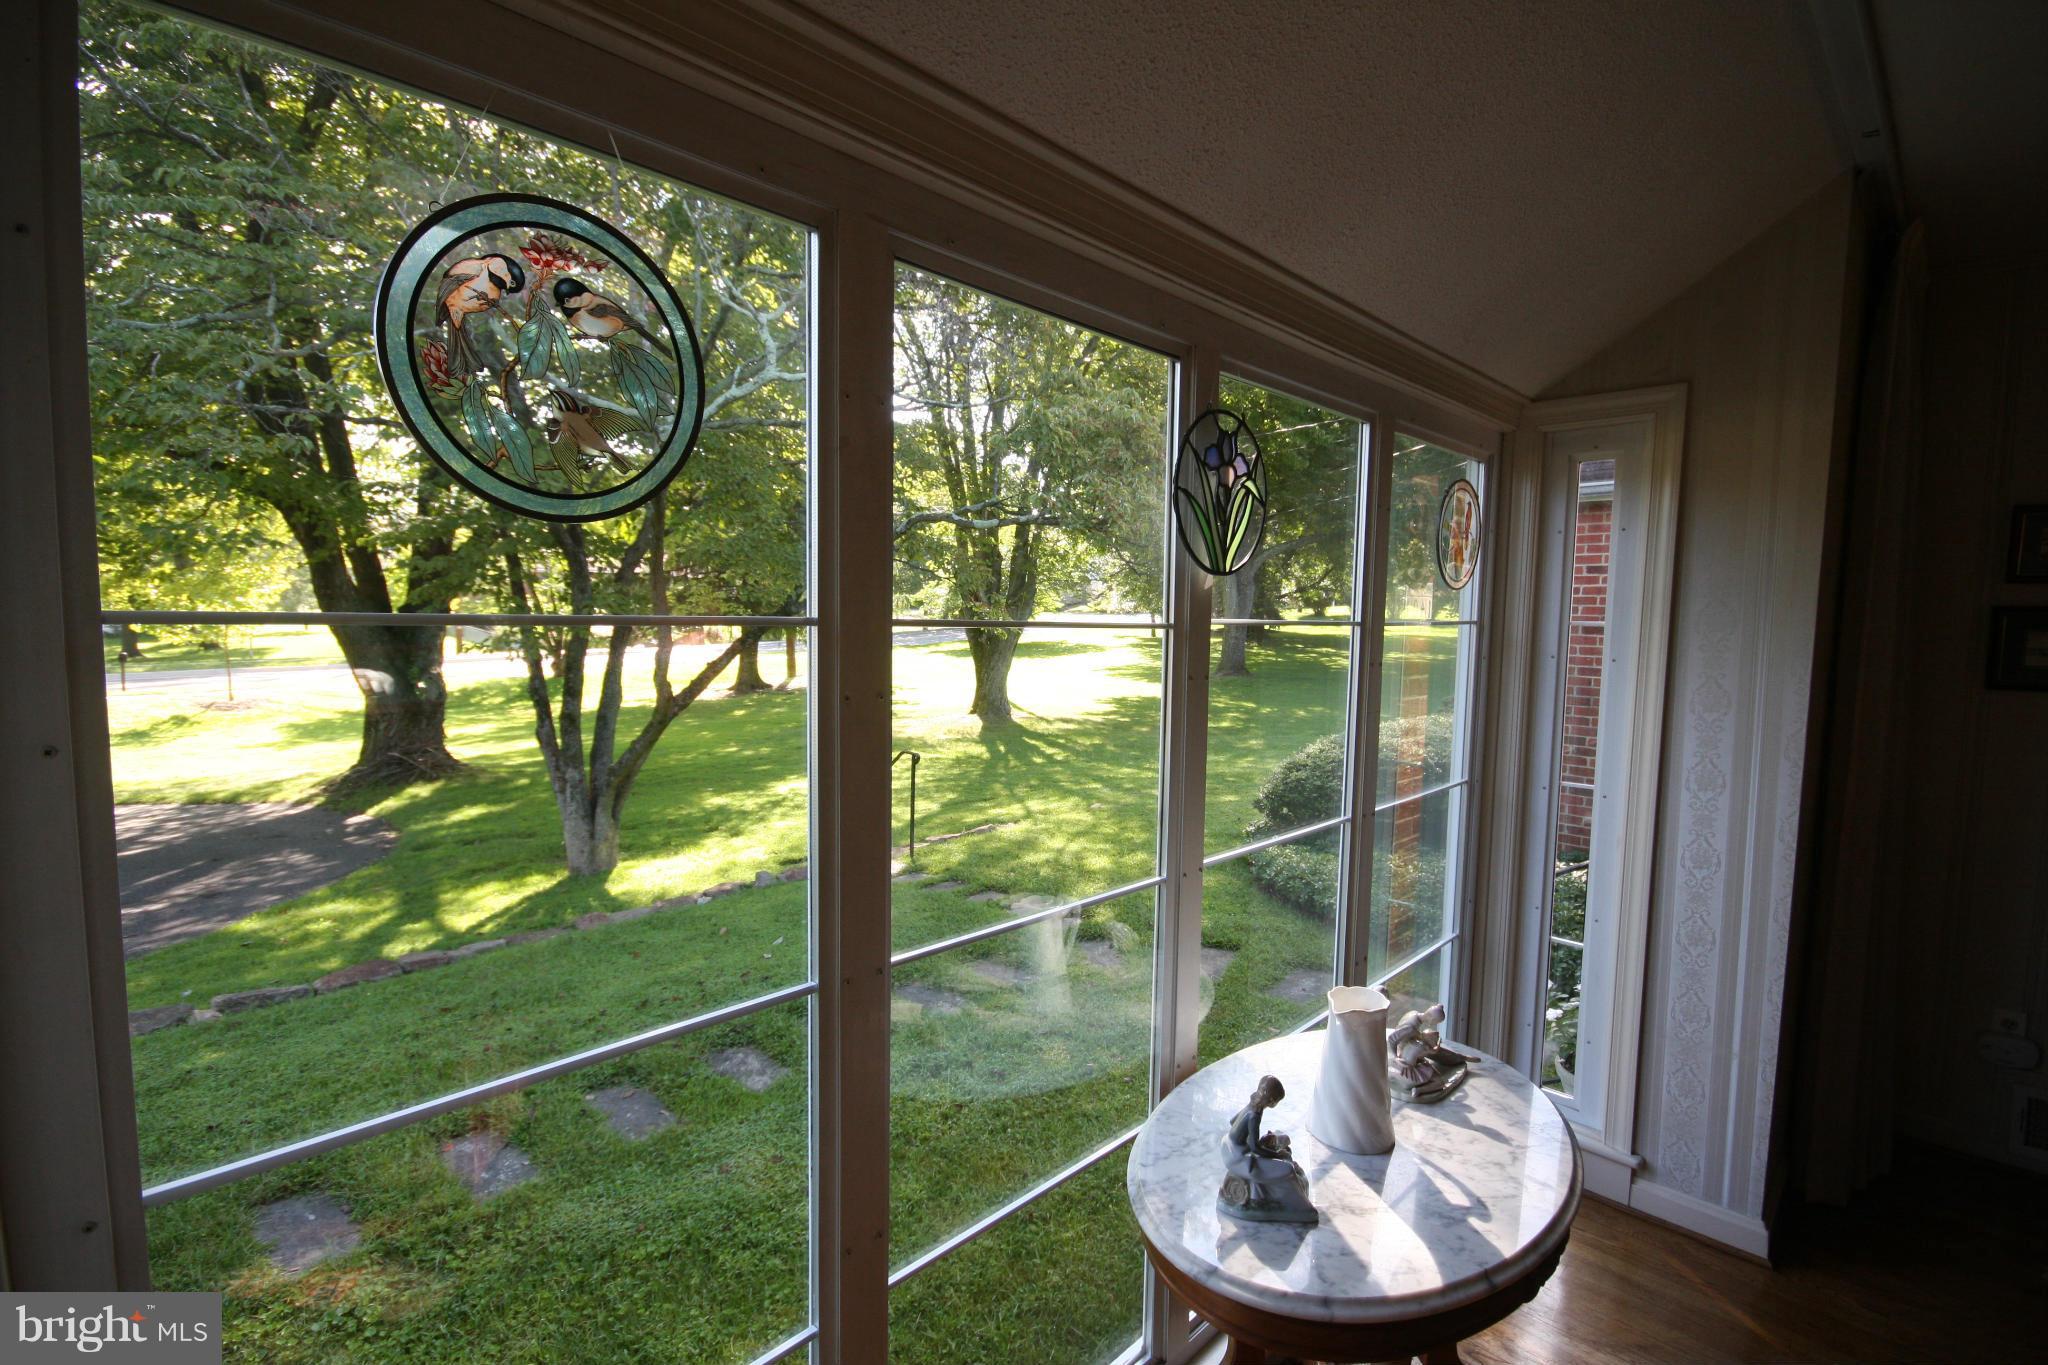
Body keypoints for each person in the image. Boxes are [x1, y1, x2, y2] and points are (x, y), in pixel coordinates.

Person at [1218, 1075, 1316, 1223]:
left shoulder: (1251, 1105)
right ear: (1272, 1100)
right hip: (1238, 1158)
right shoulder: (1254, 1114)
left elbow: (1233, 1122)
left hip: (1228, 1146)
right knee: (1287, 1170)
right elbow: (1254, 1147)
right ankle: (1300, 1209)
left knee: (1278, 1161)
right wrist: (1275, 1154)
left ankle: (1269, 1197)